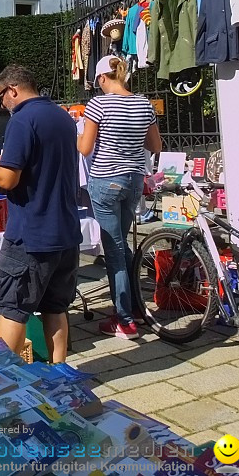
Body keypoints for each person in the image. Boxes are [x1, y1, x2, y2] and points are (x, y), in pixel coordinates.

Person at [0, 65, 82, 363]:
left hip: (31, 235)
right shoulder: (62, 117)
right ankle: (61, 375)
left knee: (11, 307)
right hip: (66, 232)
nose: (1, 104)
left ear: (13, 90)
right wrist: (6, 161)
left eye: (1, 97)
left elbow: (7, 181)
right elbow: (44, 163)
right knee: (55, 308)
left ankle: (4, 379)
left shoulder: (22, 120)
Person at [77, 54, 162, 339]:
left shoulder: (98, 104)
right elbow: (155, 145)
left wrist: (74, 130)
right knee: (120, 244)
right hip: (133, 180)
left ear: (102, 78)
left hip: (105, 181)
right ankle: (135, 305)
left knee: (113, 250)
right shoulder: (143, 103)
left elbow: (85, 148)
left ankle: (125, 320)